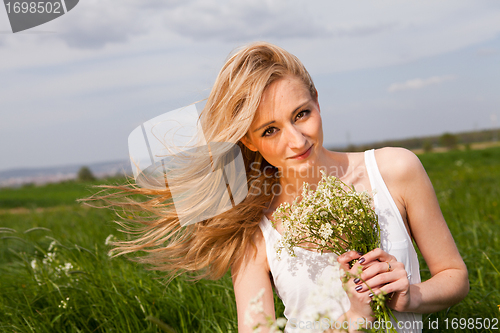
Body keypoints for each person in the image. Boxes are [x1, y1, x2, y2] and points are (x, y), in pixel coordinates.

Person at [103, 42, 469, 333]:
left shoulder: (395, 169)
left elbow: (455, 278)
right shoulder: (251, 224)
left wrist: (408, 298)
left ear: (317, 102)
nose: (295, 141)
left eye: (301, 114)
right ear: (248, 141)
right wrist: (351, 322)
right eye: (270, 130)